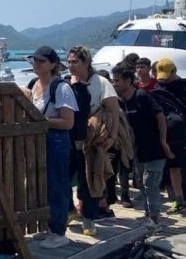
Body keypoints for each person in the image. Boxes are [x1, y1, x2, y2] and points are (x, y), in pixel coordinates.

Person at [112, 63, 173, 234]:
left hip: (154, 149)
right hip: (138, 151)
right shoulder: (122, 100)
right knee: (142, 185)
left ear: (128, 81)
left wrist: (163, 141)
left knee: (150, 184)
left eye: (117, 81)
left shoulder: (142, 96)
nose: (114, 84)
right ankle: (149, 217)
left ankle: (155, 220)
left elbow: (160, 117)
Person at [28, 46, 77, 247]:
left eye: (41, 60)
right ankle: (49, 227)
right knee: (42, 185)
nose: (36, 63)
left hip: (56, 141)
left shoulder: (61, 87)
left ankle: (59, 231)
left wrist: (41, 121)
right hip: (39, 141)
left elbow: (68, 122)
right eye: (34, 60)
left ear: (53, 65)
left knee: (57, 184)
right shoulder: (34, 85)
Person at [66, 46, 122, 220]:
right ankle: (70, 210)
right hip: (70, 139)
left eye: (75, 62)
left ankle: (89, 218)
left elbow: (114, 112)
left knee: (90, 180)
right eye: (68, 62)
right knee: (63, 178)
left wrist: (112, 137)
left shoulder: (101, 83)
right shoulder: (66, 83)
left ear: (86, 62)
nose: (71, 65)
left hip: (94, 140)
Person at [153, 58, 186, 220]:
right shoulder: (160, 86)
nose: (164, 79)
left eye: (167, 76)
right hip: (169, 136)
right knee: (173, 168)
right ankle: (179, 200)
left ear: (175, 71)